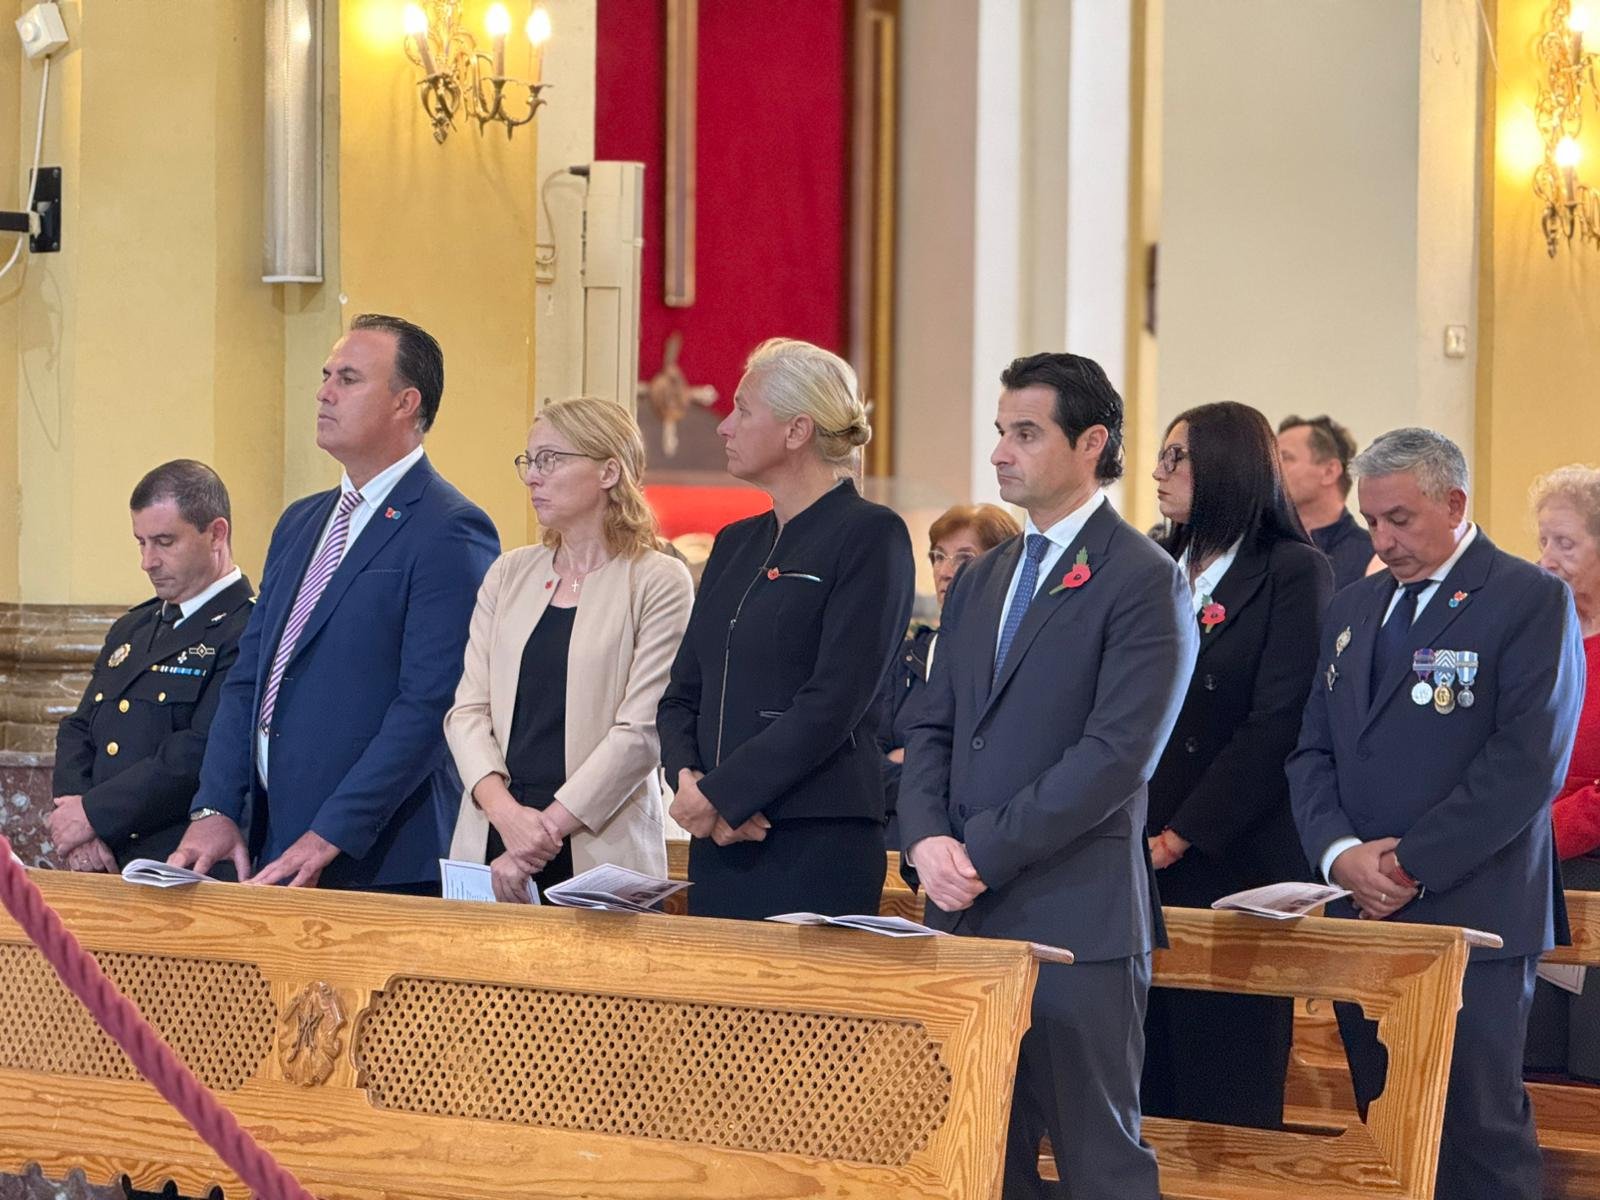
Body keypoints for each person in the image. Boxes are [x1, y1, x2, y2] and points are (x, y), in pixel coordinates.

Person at [898, 351, 1197, 1199]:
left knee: (1098, 1161)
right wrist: (925, 840)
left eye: (1024, 433)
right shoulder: (986, 575)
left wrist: (976, 851)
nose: (1000, 452)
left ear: (1090, 441)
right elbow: (932, 723)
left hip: (1078, 917)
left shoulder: (1143, 578)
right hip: (960, 910)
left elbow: (1115, 758)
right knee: (975, 1154)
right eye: (1000, 432)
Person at [1287, 428, 1584, 1200]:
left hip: (1473, 908)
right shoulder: (1355, 604)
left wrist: (1409, 865)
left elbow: (1526, 764)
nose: (1382, 541)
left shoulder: (1526, 598)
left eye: (1401, 520)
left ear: (1454, 504)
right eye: (1373, 521)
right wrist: (1340, 853)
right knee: (1383, 1122)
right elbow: (1311, 750)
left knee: (1477, 1129)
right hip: (1363, 909)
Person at [170, 314, 500, 893]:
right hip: (274, 842)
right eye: (325, 376)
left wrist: (331, 833)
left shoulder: (449, 528)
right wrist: (215, 805)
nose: (324, 392)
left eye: (348, 379)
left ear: (405, 402)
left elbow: (427, 706)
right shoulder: (301, 521)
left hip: (379, 858)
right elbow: (249, 678)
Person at [657, 337, 915, 920]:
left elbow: (834, 701)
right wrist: (691, 785)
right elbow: (681, 694)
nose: (724, 426)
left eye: (744, 410)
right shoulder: (733, 543)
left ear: (797, 431)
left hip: (813, 836)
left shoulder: (871, 535)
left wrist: (724, 795)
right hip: (716, 836)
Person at [1141, 403, 1333, 1129]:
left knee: (1223, 1077)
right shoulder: (1155, 565)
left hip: (1229, 853)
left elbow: (1277, 724)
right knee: (1145, 1076)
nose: (1159, 473)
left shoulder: (1291, 571)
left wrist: (1181, 833)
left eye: (1177, 458)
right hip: (1137, 847)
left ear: (1226, 464)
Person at [444, 397, 693, 903]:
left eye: (550, 460)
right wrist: (509, 817)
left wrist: (541, 834)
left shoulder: (657, 580)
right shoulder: (509, 574)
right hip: (493, 838)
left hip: (598, 843)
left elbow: (641, 732)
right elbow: (466, 712)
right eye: (529, 461)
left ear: (608, 471)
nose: (533, 477)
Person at [49, 461, 254, 872]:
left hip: (180, 863)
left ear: (216, 533)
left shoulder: (248, 628)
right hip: (101, 861)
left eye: (163, 542)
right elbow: (79, 728)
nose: (147, 561)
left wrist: (93, 815)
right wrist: (74, 824)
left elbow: (197, 751)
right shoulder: (133, 628)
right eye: (140, 542)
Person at [876, 503, 1019, 848]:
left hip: (982, 848)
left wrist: (915, 760)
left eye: (964, 558)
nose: (945, 571)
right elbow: (867, 769)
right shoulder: (906, 654)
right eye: (938, 556)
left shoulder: (1014, 656)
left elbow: (999, 771)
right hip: (899, 849)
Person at [1524, 464, 1600, 1083]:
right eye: (1542, 541)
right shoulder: (1538, 636)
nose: (1546, 559)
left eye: (1566, 543)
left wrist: (1540, 831)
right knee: (1533, 1066)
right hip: (1529, 869)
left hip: (1586, 865)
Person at [1278, 414, 1373, 589]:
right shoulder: (1260, 549)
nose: (1273, 467)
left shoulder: (1372, 557)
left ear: (1329, 472)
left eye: (1285, 458)